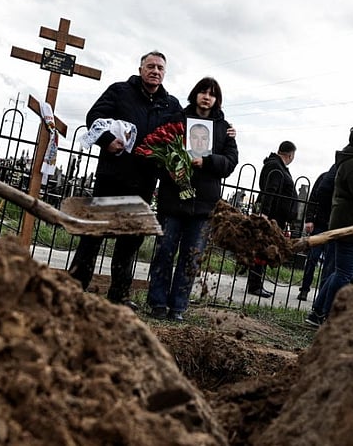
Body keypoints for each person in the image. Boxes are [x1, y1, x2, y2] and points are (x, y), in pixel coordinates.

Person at [68, 51, 182, 310]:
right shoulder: (120, 91)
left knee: (129, 242)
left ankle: (118, 295)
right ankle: (74, 288)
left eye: (160, 68)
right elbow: (94, 117)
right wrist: (107, 140)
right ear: (140, 68)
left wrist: (225, 130)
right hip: (112, 177)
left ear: (165, 73)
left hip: (143, 183)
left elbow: (183, 134)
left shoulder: (170, 105)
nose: (155, 71)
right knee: (92, 236)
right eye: (150, 66)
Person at [146, 77, 238, 321]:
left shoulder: (224, 128)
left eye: (212, 94)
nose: (207, 97)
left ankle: (178, 307)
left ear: (217, 99)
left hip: (204, 205)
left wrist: (206, 161)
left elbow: (230, 162)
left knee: (192, 256)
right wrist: (172, 163)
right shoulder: (177, 119)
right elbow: (161, 149)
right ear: (195, 94)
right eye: (203, 92)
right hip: (173, 199)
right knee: (165, 251)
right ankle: (157, 303)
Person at [306, 125, 353, 327]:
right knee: (344, 274)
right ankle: (327, 315)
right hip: (351, 226)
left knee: (341, 273)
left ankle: (317, 313)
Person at [248, 140, 299, 298]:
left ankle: (256, 283)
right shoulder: (276, 166)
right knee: (263, 250)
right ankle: (255, 285)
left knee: (264, 250)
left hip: (275, 217)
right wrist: (264, 213)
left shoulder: (276, 165)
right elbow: (271, 191)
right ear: (290, 155)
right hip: (272, 217)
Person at [297, 163, 337, 301]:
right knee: (312, 258)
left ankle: (322, 294)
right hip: (320, 224)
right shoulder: (325, 177)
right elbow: (313, 198)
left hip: (335, 226)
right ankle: (304, 289)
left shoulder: (346, 179)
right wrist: (309, 219)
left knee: (329, 264)